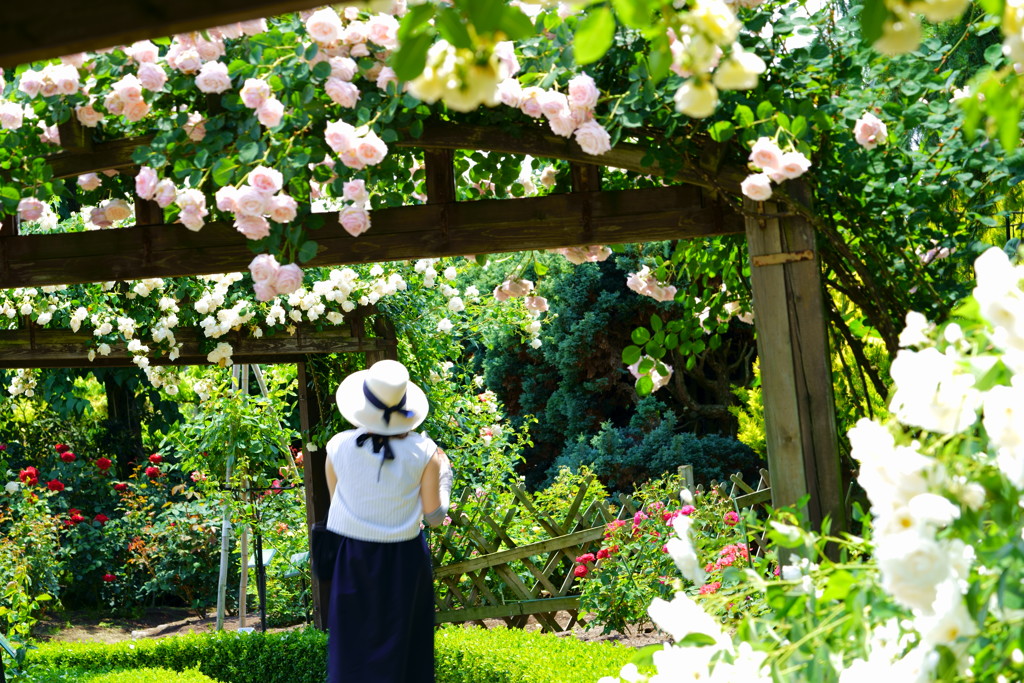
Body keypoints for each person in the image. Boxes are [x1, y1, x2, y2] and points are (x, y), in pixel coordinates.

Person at [324, 359, 452, 683]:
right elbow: (435, 517)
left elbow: (337, 502)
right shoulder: (426, 452)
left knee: (351, 648)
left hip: (352, 558)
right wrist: (445, 477)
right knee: (406, 650)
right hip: (404, 560)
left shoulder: (337, 446)